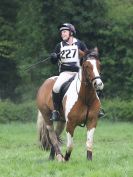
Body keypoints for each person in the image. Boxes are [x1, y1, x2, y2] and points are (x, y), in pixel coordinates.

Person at [50, 23, 104, 121]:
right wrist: (53, 57)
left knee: (95, 84)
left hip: (78, 73)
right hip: (65, 73)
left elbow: (87, 57)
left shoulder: (80, 43)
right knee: (56, 87)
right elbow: (53, 61)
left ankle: (98, 108)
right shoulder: (59, 46)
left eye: (65, 31)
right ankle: (56, 111)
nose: (62, 34)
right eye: (61, 32)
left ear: (71, 32)